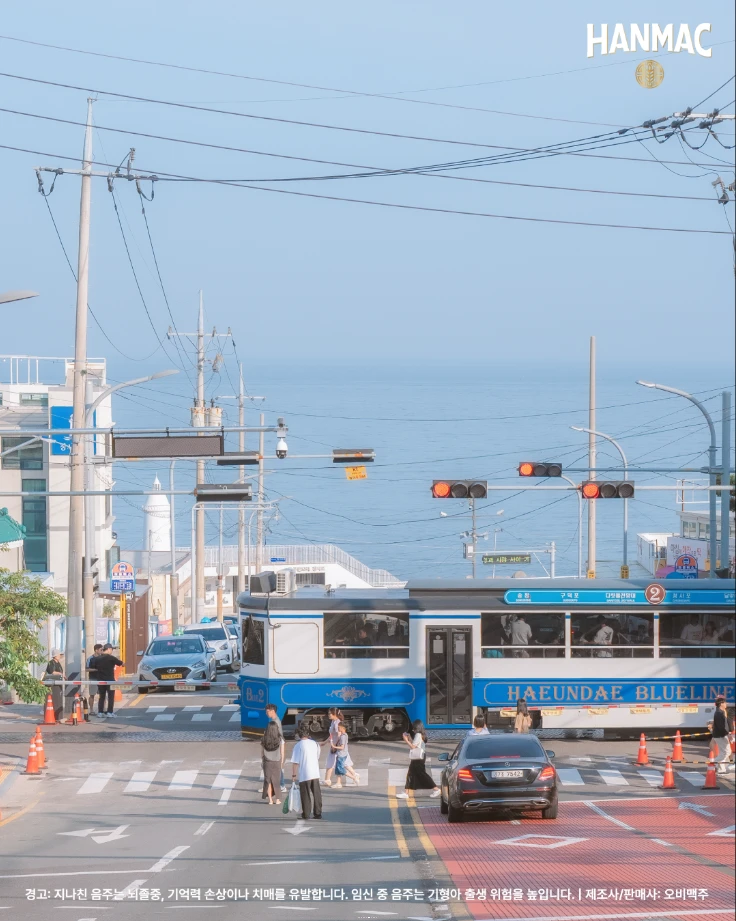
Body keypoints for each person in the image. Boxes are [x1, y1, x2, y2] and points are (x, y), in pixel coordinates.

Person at [396, 719, 441, 800]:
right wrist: (409, 738)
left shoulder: (418, 735)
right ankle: (406, 793)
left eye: (414, 728)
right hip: (420, 756)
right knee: (411, 774)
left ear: (417, 728)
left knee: (421, 774)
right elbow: (416, 744)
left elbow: (413, 747)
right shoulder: (421, 734)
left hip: (418, 758)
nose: (413, 730)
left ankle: (436, 789)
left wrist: (406, 740)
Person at [290, 725, 322, 819]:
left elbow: (295, 762)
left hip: (305, 773)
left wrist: (294, 775)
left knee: (305, 794)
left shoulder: (298, 745)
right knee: (316, 793)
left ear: (299, 734)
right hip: (315, 772)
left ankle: (306, 814)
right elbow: (317, 756)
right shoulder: (315, 743)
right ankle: (318, 813)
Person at [94, 644, 124, 718]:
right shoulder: (111, 658)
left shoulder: (97, 659)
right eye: (111, 650)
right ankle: (110, 712)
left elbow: (94, 667)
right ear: (109, 649)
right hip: (110, 680)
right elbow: (121, 663)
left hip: (100, 680)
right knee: (111, 697)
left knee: (101, 696)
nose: (112, 651)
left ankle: (100, 712)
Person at [261, 720, 285, 805]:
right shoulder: (280, 739)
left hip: (267, 761)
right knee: (276, 780)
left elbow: (262, 752)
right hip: (277, 761)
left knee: (268, 781)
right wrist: (281, 762)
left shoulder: (264, 739)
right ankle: (277, 799)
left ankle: (270, 800)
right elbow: (282, 752)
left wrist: (263, 761)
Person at [332, 722, 361, 788]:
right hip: (342, 754)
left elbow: (342, 747)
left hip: (341, 754)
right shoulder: (345, 735)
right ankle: (338, 783)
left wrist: (334, 746)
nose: (338, 728)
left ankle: (354, 777)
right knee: (338, 769)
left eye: (339, 727)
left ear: (343, 728)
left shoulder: (343, 736)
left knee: (340, 769)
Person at [265, 703, 287, 792]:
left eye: (267, 711)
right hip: (276, 747)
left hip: (276, 747)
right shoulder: (275, 720)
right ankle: (277, 785)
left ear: (272, 711)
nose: (266, 713)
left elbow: (279, 736)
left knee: (276, 767)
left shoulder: (275, 722)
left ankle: (281, 785)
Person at [711, 697, 734, 774]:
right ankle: (713, 763)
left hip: (720, 735)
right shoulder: (719, 713)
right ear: (721, 704)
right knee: (726, 752)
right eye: (725, 702)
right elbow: (722, 727)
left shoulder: (720, 712)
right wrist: (728, 734)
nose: (726, 704)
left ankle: (721, 769)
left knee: (723, 752)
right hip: (720, 735)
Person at [321, 707, 343, 787]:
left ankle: (354, 776)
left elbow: (339, 735)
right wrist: (325, 742)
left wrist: (335, 745)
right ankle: (327, 780)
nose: (328, 715)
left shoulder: (337, 723)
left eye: (330, 713)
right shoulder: (333, 722)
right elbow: (332, 735)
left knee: (342, 764)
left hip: (337, 746)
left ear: (335, 714)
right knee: (333, 762)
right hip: (334, 745)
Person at [44, 650, 65, 722]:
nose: (60, 656)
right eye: (59, 655)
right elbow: (52, 672)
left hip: (58, 683)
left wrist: (62, 675)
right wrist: (60, 674)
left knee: (58, 700)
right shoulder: (51, 663)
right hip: (52, 684)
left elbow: (60, 671)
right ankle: (52, 716)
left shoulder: (58, 663)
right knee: (53, 699)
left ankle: (58, 716)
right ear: (55, 656)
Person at [86, 644, 102, 713]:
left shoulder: (102, 658)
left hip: (101, 679)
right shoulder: (90, 658)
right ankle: (91, 710)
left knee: (102, 695)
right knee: (92, 695)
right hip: (93, 679)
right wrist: (95, 670)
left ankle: (101, 710)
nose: (102, 651)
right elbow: (87, 669)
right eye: (101, 650)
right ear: (96, 650)